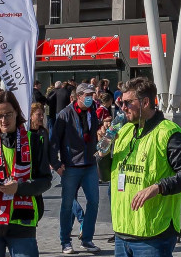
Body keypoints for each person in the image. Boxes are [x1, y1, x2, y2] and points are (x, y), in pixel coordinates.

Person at [95, 78, 181, 257]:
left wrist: (158, 187)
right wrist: (102, 154)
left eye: (128, 103)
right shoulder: (123, 131)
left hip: (154, 233)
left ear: (145, 102)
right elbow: (105, 176)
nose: (123, 108)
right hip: (122, 231)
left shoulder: (168, 133)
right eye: (121, 103)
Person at [0, 90, 53, 257]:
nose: (4, 120)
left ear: (17, 113)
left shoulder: (34, 141)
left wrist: (18, 188)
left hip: (21, 219)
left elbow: (45, 181)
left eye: (8, 114)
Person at [50, 84, 103, 256]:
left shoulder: (92, 112)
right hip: (71, 166)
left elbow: (94, 134)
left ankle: (86, 239)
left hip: (89, 165)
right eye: (87, 95)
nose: (91, 98)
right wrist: (56, 164)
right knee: (66, 205)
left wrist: (102, 139)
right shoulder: (65, 114)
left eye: (92, 95)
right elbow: (54, 141)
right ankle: (65, 241)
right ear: (78, 96)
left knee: (94, 202)